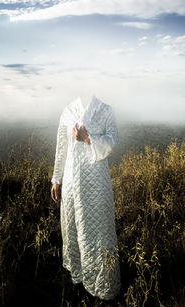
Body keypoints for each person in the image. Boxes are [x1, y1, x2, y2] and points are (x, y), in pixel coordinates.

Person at [51, 95, 121, 300]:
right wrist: (56, 179)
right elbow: (61, 147)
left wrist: (88, 138)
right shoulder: (68, 110)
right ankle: (78, 280)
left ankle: (104, 285)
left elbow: (113, 141)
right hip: (71, 183)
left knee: (99, 232)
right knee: (74, 229)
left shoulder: (105, 109)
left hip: (96, 184)